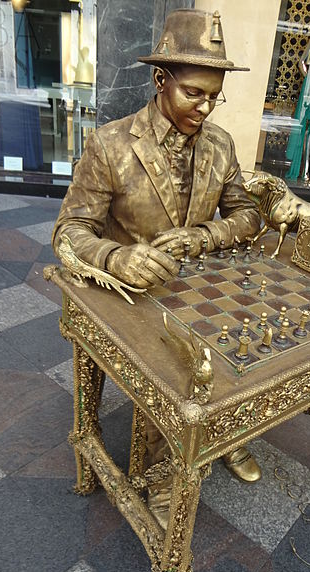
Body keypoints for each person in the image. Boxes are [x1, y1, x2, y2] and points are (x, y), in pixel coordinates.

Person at [52, 9, 262, 528]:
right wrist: (116, 257)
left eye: (216, 96)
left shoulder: (221, 144)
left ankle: (223, 434)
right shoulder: (110, 144)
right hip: (132, 296)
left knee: (251, 336)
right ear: (160, 80)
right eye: (195, 93)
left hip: (200, 286)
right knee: (174, 368)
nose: (207, 107)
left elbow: (247, 216)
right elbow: (68, 232)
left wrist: (206, 234)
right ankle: (166, 473)